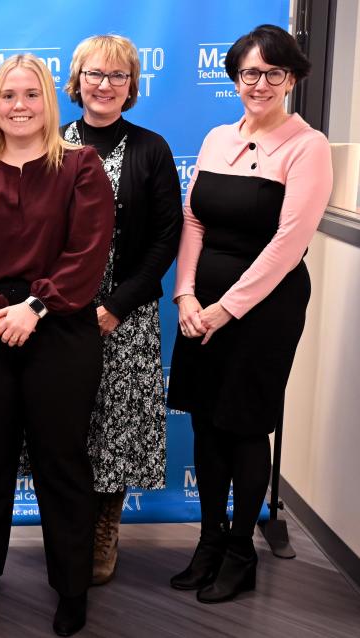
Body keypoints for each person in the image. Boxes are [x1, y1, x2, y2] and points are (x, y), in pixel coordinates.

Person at [0, 54, 114, 635]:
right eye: (8, 95)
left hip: (60, 327)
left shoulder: (82, 167)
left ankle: (71, 587)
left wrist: (34, 308)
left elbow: (87, 253)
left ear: (48, 101)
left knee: (61, 461)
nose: (19, 105)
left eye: (31, 95)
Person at [167, 24, 332, 604]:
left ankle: (241, 552)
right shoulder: (216, 138)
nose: (259, 84)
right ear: (234, 77)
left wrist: (223, 311)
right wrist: (187, 296)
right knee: (206, 423)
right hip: (201, 305)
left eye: (273, 73)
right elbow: (193, 222)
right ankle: (208, 544)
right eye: (249, 73)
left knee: (242, 424)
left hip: (263, 309)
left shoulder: (307, 146)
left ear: (292, 78)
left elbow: (289, 244)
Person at [61, 34, 182, 585]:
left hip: (124, 312)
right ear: (77, 80)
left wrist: (116, 305)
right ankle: (70, 526)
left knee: (115, 429)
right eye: (94, 74)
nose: (104, 85)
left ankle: (104, 529)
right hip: (58, 311)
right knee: (65, 422)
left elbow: (165, 237)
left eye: (117, 76)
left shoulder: (151, 148)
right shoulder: (49, 141)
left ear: (132, 85)